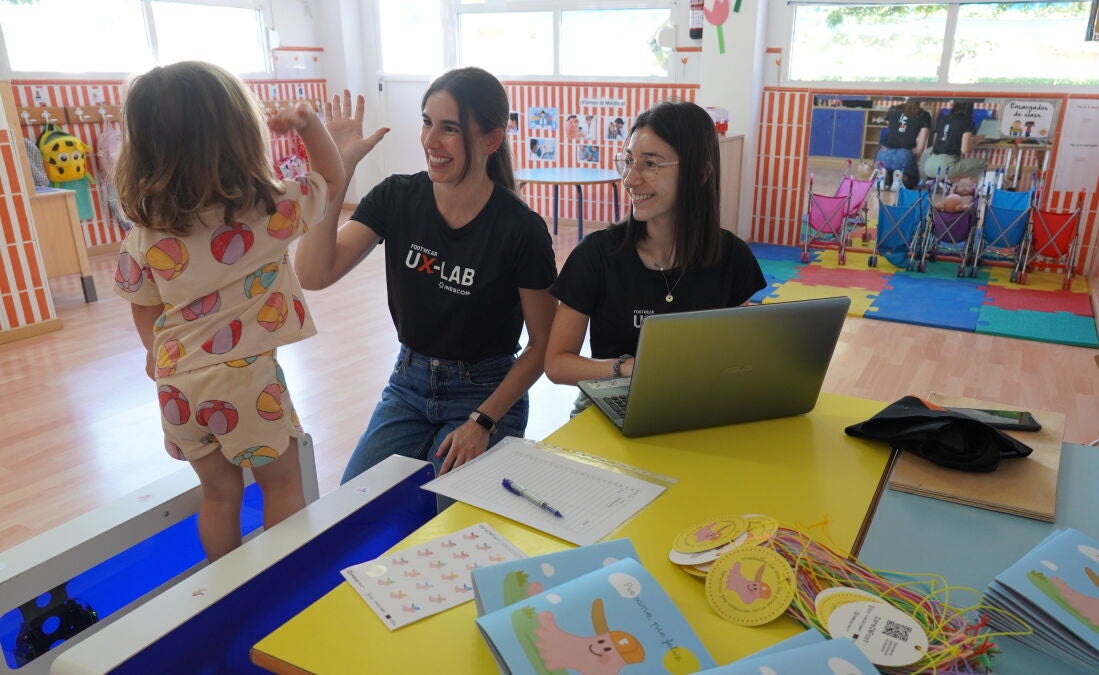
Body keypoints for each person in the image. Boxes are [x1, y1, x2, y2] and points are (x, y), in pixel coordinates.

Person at [112, 61, 345, 561]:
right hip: (244, 378)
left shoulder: (144, 235)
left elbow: (143, 308)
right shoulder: (269, 212)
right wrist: (308, 124)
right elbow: (332, 176)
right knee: (282, 482)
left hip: (176, 385)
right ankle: (279, 580)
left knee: (218, 494)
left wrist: (157, 356)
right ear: (240, 135)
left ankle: (225, 584)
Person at [294, 68, 558, 490]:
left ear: (491, 140)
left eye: (449, 128)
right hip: (408, 384)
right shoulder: (397, 197)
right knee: (352, 511)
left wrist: (483, 421)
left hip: (485, 393)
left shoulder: (520, 229)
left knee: (440, 514)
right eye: (427, 122)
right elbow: (313, 272)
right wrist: (334, 174)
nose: (430, 140)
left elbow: (543, 344)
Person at [544, 101, 766, 411]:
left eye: (650, 164)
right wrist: (626, 369)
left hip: (697, 402)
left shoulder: (731, 256)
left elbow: (741, 355)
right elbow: (556, 364)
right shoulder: (596, 254)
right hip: (610, 401)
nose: (630, 179)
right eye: (628, 161)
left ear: (700, 172)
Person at [923, 100, 988, 181]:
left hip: (929, 166)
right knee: (983, 164)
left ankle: (951, 183)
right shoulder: (966, 121)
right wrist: (974, 141)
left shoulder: (943, 119)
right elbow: (964, 150)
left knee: (962, 170)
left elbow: (937, 141)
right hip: (946, 167)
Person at [876, 98, 931, 189]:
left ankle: (885, 175)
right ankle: (901, 177)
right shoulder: (924, 115)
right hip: (904, 154)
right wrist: (916, 159)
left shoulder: (893, 110)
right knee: (913, 179)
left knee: (890, 170)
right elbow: (921, 145)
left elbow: (891, 130)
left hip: (884, 153)